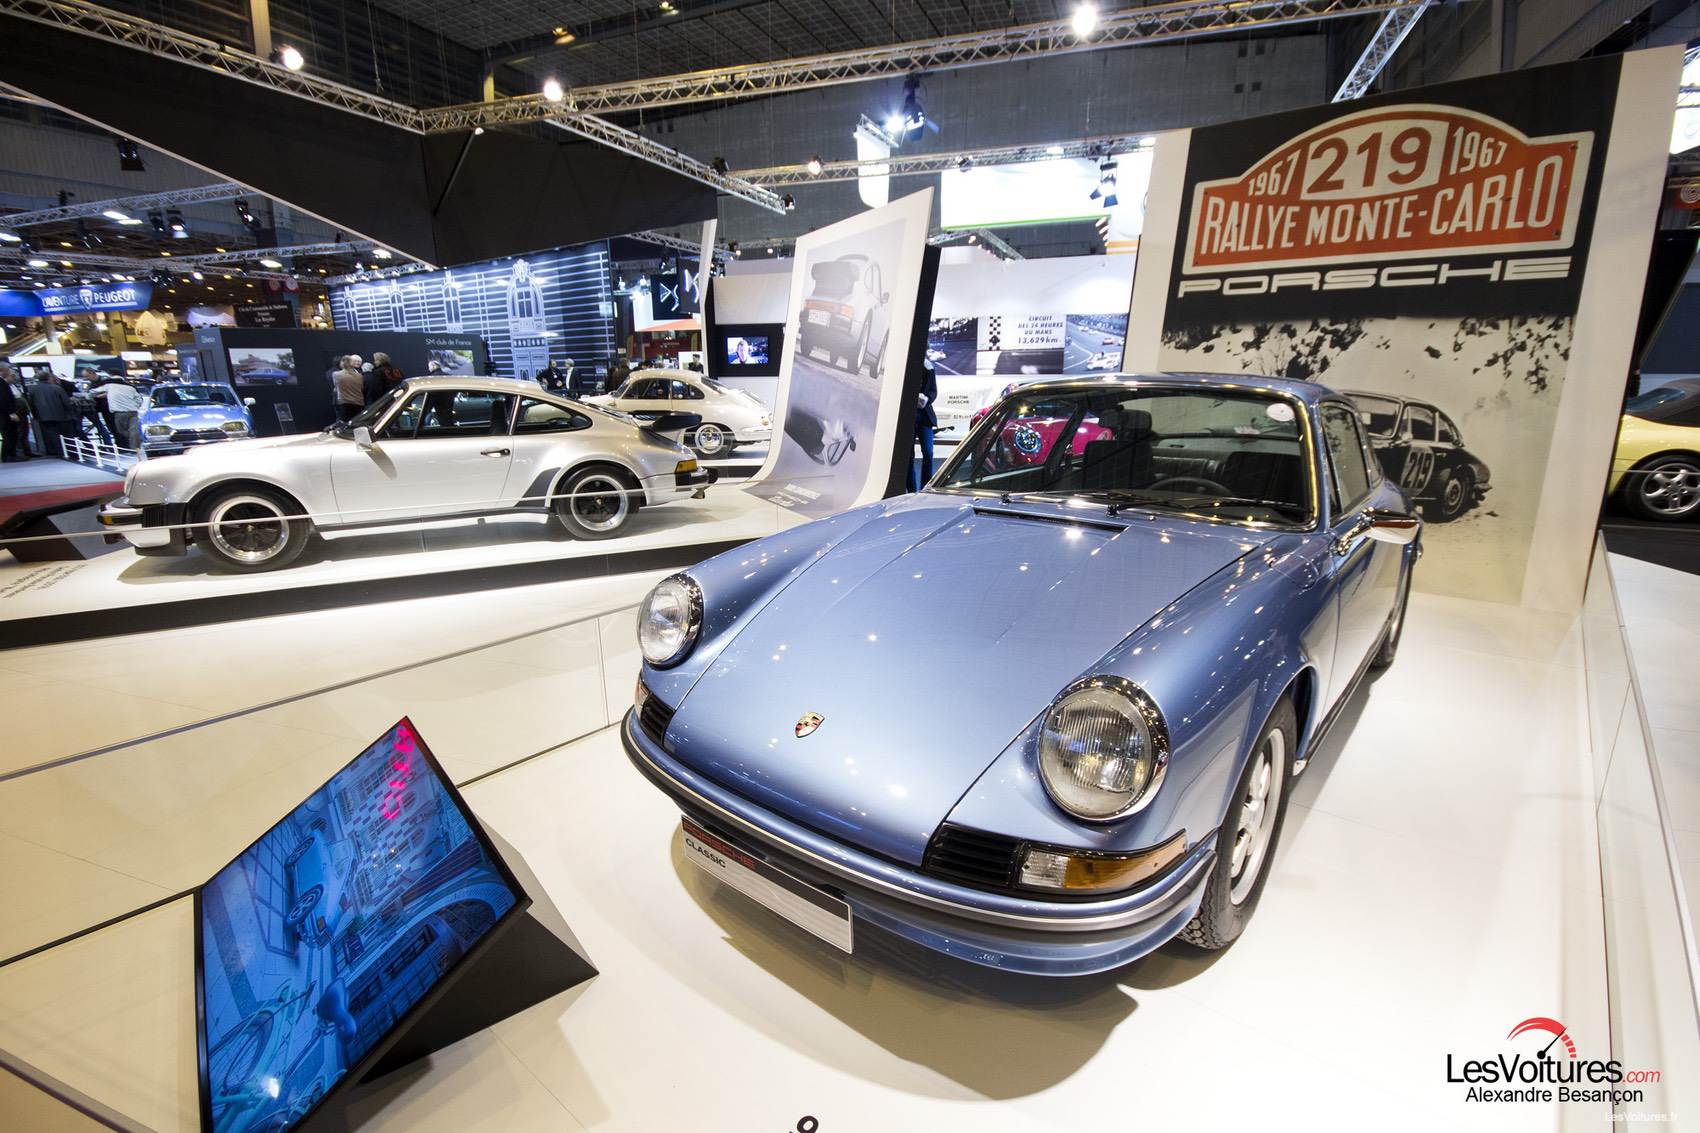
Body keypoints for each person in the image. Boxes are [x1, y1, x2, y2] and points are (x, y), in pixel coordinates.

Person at [26, 374, 78, 459]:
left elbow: (31, 404)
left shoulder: (32, 389)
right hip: (62, 416)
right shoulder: (57, 388)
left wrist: (35, 416)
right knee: (67, 436)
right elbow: (66, 402)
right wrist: (71, 413)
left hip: (45, 417)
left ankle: (61, 453)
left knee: (54, 436)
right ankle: (73, 453)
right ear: (48, 378)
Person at [906, 356, 938, 492]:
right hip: (908, 417)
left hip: (925, 417)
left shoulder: (929, 367)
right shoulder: (906, 366)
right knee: (908, 456)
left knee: (928, 453)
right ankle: (912, 490)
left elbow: (933, 391)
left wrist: (927, 398)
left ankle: (925, 488)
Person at [94, 375, 144, 449]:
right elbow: (139, 399)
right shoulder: (130, 387)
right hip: (133, 412)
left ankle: (133, 444)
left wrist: (93, 396)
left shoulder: (110, 386)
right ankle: (135, 446)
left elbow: (95, 391)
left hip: (118, 412)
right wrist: (136, 406)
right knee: (133, 430)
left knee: (120, 430)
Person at [0, 363, 24, 462]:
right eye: (8, 370)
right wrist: (11, 413)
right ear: (2, 370)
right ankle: (10, 455)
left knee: (8, 434)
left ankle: (7, 455)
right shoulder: (1, 382)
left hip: (4, 413)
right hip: (5, 414)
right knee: (10, 434)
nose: (9, 372)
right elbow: (3, 398)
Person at [334, 356, 365, 423]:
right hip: (359, 402)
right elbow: (361, 388)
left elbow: (336, 387)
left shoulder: (336, 374)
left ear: (341, 364)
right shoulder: (360, 376)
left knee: (345, 424)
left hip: (345, 403)